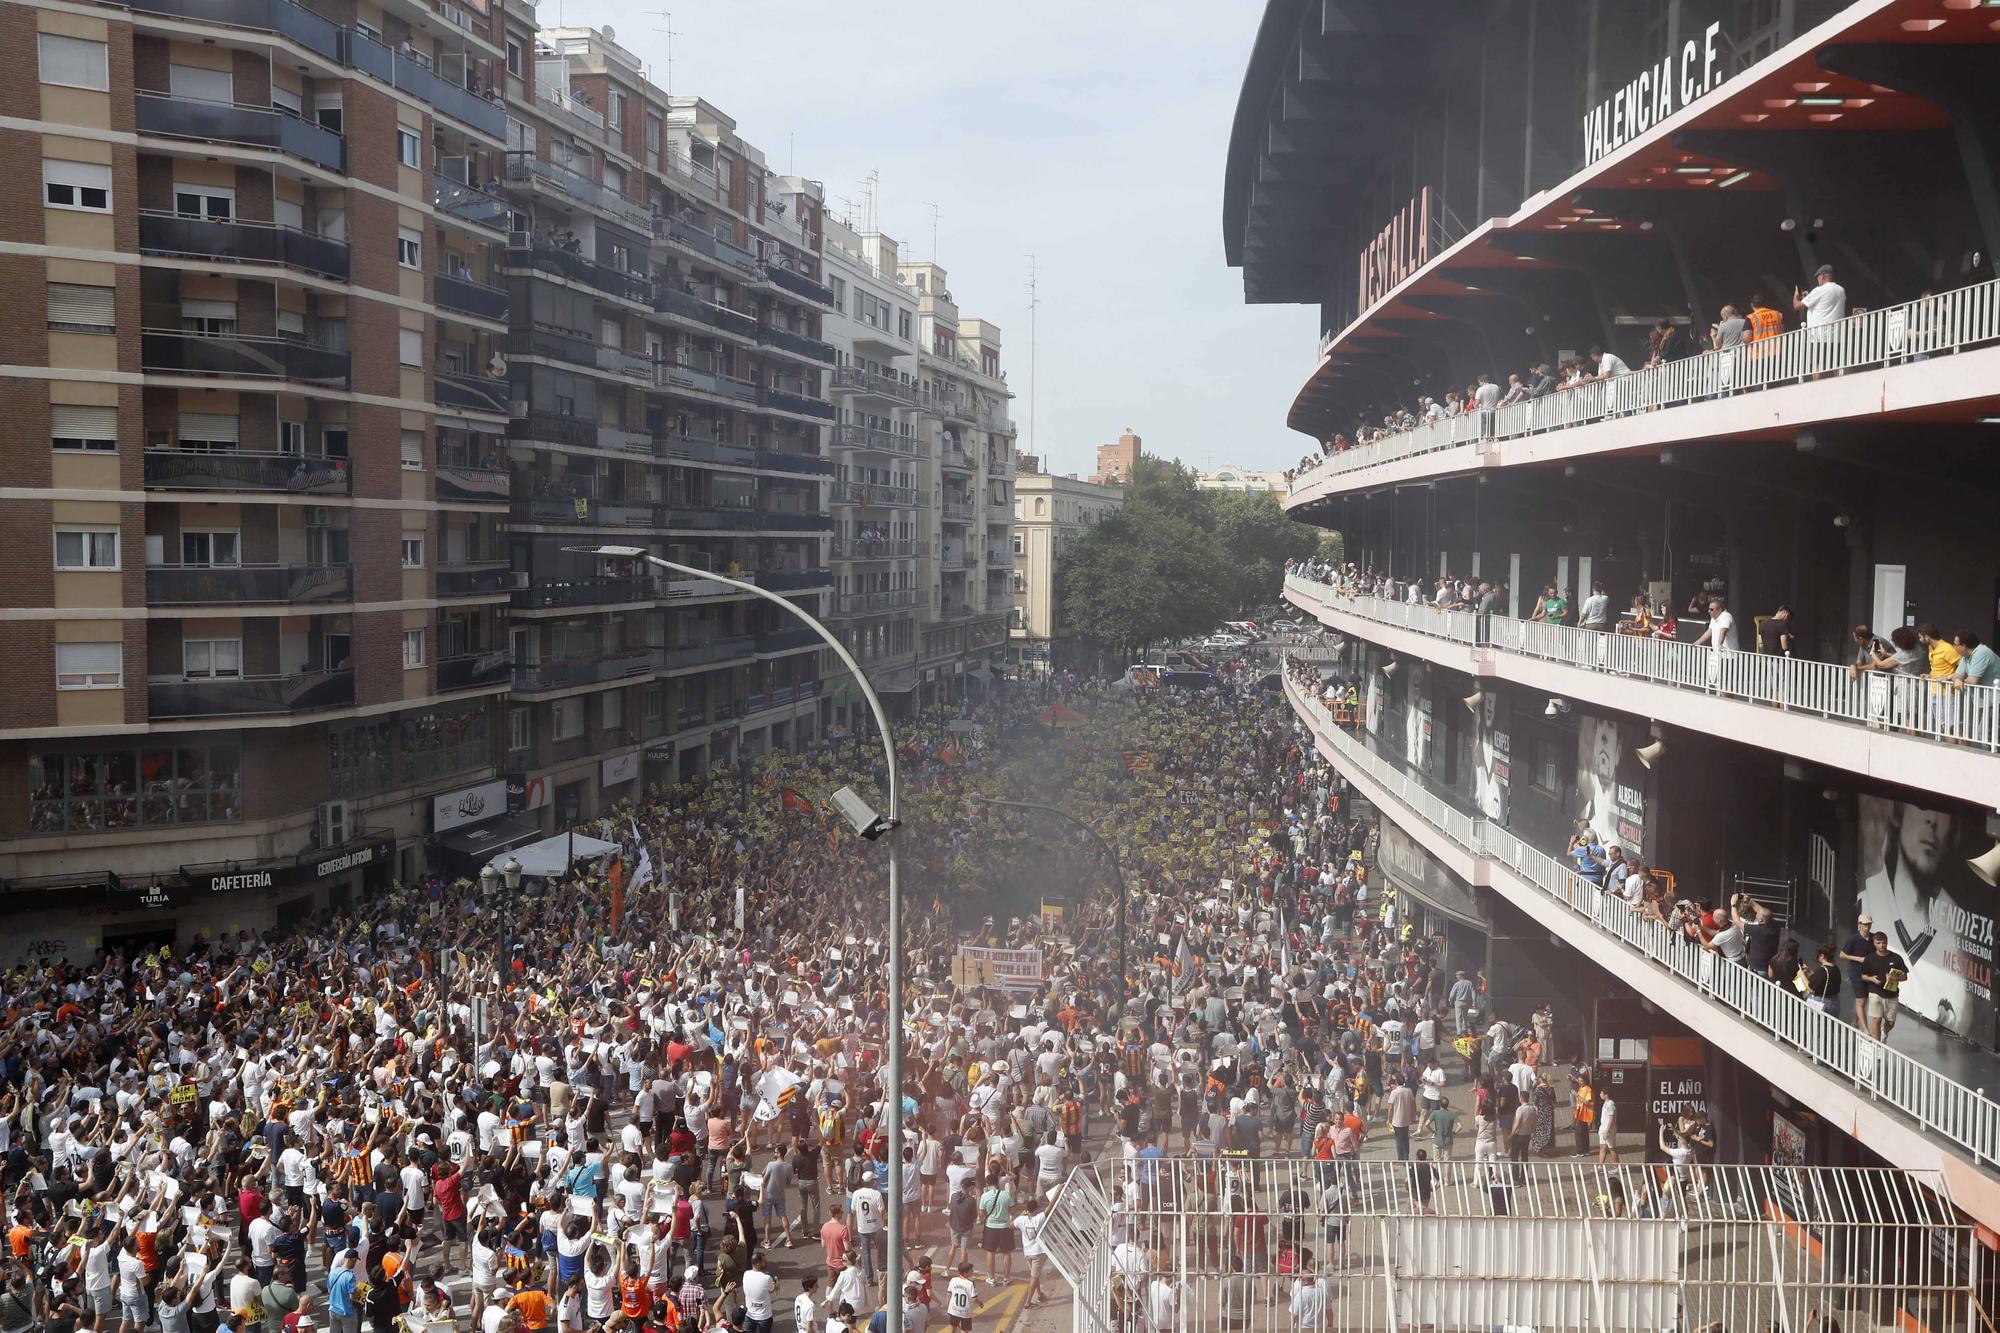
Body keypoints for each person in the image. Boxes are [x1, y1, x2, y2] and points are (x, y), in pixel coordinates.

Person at [1860, 931, 1911, 1041]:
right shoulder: (1869, 958)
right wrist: (1871, 979)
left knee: (1890, 1022)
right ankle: (1877, 1046)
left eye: (1884, 943)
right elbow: (1863, 976)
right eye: (1878, 943)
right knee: (1876, 1020)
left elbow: (1905, 976)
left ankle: (1884, 1031)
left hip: (1891, 994)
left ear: (1887, 942)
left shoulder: (1896, 958)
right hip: (1875, 992)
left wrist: (1894, 978)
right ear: (1874, 943)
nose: (1881, 945)